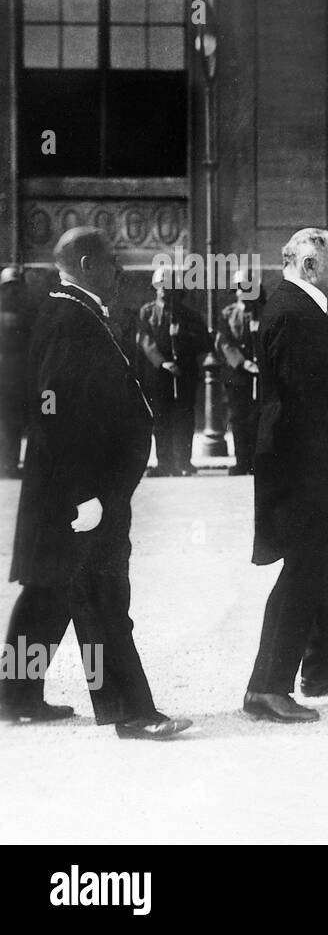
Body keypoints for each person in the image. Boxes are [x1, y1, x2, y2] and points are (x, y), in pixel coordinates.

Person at [2, 227, 190, 738]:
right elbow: (56, 413)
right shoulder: (70, 318)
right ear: (87, 264)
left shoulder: (73, 312)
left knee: (47, 594)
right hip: (80, 495)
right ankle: (131, 712)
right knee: (103, 600)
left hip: (65, 491)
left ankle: (15, 696)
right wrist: (85, 493)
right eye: (112, 262)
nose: (119, 272)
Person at [243, 228, 328, 723]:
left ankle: (323, 668)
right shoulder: (292, 313)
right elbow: (305, 408)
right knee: (304, 570)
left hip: (315, 463)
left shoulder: (305, 309)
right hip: (306, 468)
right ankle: (265, 688)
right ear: (308, 265)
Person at [137, 265, 210, 476]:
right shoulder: (147, 312)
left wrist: (182, 337)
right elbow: (144, 340)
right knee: (161, 419)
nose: (164, 290)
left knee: (184, 419)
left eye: (168, 286)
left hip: (184, 373)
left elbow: (202, 342)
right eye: (160, 286)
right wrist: (163, 362)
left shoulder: (189, 316)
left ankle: (183, 463)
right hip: (159, 375)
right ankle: (164, 463)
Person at [215, 270, 263, 476]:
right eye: (240, 289)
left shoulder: (265, 313)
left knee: (259, 418)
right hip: (237, 375)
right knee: (239, 418)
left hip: (261, 374)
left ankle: (257, 461)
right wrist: (243, 363)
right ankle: (242, 460)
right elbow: (223, 342)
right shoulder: (228, 313)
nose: (243, 293)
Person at [0, 266, 32, 478]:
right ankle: (8, 464)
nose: (12, 291)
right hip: (3, 374)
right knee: (6, 422)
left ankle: (22, 463)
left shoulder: (29, 312)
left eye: (16, 286)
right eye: (8, 287)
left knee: (26, 420)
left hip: (23, 373)